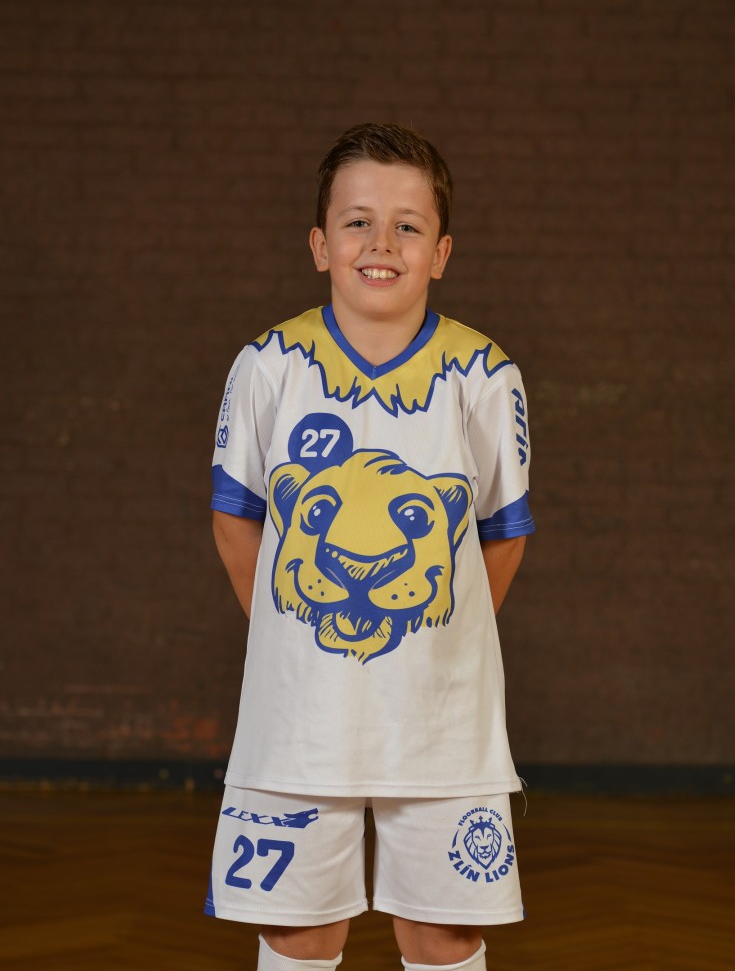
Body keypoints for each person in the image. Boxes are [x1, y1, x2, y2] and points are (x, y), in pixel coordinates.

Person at [204, 122, 535, 971]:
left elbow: (499, 537)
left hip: (444, 722)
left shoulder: (484, 374)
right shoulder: (267, 365)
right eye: (358, 222)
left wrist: (438, 641)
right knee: (297, 930)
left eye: (407, 226)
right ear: (321, 244)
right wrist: (293, 637)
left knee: (444, 932)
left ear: (441, 252)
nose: (381, 244)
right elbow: (238, 523)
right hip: (298, 720)